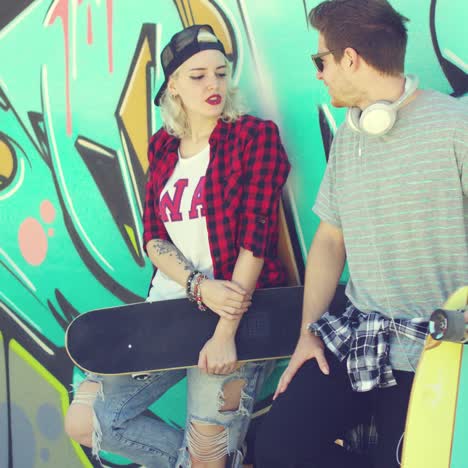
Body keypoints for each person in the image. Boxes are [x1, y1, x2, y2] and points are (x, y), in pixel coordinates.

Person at [64, 24, 290, 468]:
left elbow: (257, 238)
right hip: (168, 312)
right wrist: (196, 285)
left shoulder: (254, 137)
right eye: (198, 75)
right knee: (86, 420)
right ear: (173, 86)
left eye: (221, 74)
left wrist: (225, 333)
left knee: (206, 458)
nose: (213, 85)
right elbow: (154, 238)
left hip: (235, 314)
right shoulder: (164, 147)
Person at [254, 1, 468, 468]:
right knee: (275, 450)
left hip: (437, 354)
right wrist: (308, 334)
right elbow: (330, 240)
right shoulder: (351, 137)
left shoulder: (456, 129)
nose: (319, 73)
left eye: (321, 60)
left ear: (349, 58)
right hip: (359, 335)